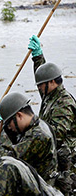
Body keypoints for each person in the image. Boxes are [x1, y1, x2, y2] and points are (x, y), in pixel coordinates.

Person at [28, 35, 76, 174]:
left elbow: (56, 134)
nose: (39, 88)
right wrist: (38, 57)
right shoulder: (50, 95)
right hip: (53, 151)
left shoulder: (64, 103)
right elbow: (42, 74)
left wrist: (30, 128)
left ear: (52, 82)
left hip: (66, 159)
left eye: (41, 85)